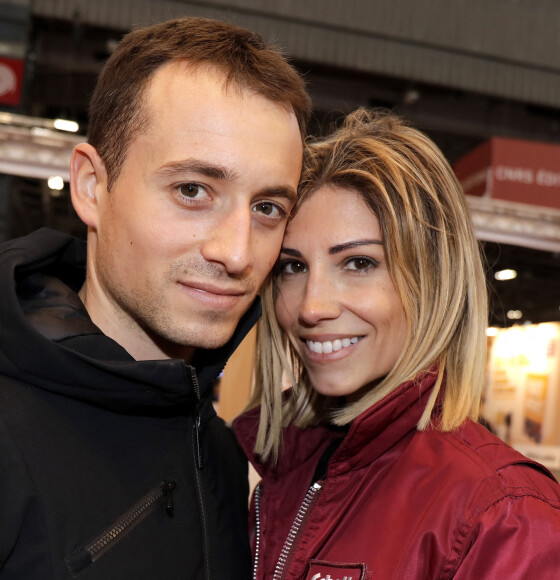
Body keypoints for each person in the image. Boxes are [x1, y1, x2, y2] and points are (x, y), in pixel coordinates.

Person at [0, 16, 310, 579]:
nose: (237, 253)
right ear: (93, 187)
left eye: (267, 207)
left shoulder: (217, 452)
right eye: (193, 190)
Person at [233, 109, 560, 579]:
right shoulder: (286, 469)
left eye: (358, 264)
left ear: (432, 281)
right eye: (292, 267)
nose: (311, 307)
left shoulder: (508, 519)